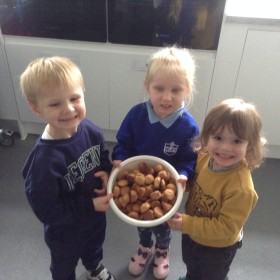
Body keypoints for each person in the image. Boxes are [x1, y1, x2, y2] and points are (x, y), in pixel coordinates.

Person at [20, 56, 116, 280]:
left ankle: (94, 267)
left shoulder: (91, 130)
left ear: (83, 92)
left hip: (94, 219)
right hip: (64, 232)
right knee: (64, 264)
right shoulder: (44, 162)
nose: (69, 109)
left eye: (75, 98)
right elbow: (47, 210)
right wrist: (89, 205)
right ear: (36, 107)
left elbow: (101, 155)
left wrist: (106, 172)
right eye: (55, 103)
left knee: (94, 246)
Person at [112, 46, 199, 279]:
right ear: (147, 86)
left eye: (176, 89)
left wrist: (183, 174)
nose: (167, 97)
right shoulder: (136, 115)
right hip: (137, 185)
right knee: (142, 219)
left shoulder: (189, 127)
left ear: (187, 90)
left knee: (163, 224)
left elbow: (189, 159)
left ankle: (162, 249)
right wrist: (119, 159)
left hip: (169, 188)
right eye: (159, 88)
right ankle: (144, 246)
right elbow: (123, 143)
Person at [167, 98, 267, 280]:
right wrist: (183, 184)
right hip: (194, 233)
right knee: (192, 263)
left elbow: (226, 228)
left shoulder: (242, 189)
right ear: (206, 137)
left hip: (217, 248)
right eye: (218, 138)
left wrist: (187, 224)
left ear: (250, 145)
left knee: (210, 275)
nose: (225, 148)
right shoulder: (206, 157)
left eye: (237, 141)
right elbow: (198, 181)